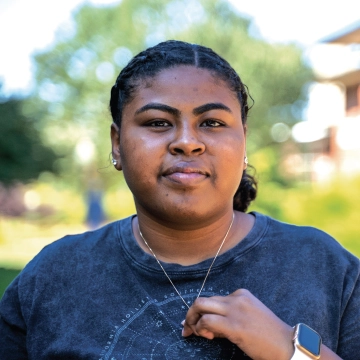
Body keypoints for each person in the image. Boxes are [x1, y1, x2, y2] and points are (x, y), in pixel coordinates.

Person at [0, 40, 359, 360]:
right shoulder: (52, 277)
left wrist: (288, 349)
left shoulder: (326, 268)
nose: (187, 142)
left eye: (213, 123)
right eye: (157, 122)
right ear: (116, 144)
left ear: (244, 142)